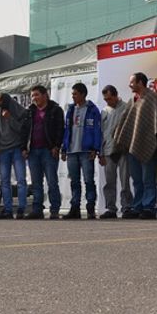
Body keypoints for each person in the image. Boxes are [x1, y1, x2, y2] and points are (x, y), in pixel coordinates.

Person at [114, 72, 157, 219]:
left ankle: (149, 207)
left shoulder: (152, 98)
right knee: (137, 179)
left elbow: (156, 123)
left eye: (132, 82)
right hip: (132, 146)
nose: (130, 85)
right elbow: (126, 122)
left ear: (140, 82)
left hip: (148, 145)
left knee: (148, 178)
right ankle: (138, 206)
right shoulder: (132, 100)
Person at [61, 83, 102, 220]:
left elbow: (97, 130)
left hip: (86, 151)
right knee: (74, 181)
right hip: (72, 151)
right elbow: (66, 130)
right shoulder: (71, 109)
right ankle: (75, 208)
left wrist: (95, 149)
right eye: (72, 94)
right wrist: (64, 148)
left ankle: (90, 208)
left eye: (75, 94)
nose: (73, 96)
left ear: (83, 94)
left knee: (89, 180)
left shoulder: (92, 109)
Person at [25, 85, 65, 220]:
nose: (34, 98)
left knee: (52, 181)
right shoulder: (30, 111)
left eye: (36, 95)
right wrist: (24, 148)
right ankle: (37, 209)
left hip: (49, 150)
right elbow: (24, 131)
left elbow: (60, 129)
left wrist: (56, 146)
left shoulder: (55, 110)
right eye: (32, 96)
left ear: (45, 95)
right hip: (33, 151)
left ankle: (54, 209)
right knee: (36, 183)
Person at [0, 93, 29, 220]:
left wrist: (9, 118)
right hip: (3, 150)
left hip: (17, 149)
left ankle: (21, 208)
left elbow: (22, 130)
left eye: (1, 101)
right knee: (4, 181)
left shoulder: (20, 111)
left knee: (21, 180)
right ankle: (7, 209)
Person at [99, 85, 132, 219]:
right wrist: (100, 152)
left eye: (109, 98)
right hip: (108, 150)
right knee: (109, 181)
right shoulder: (104, 111)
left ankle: (127, 207)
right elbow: (100, 133)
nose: (108, 101)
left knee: (125, 181)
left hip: (123, 150)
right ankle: (111, 208)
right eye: (105, 99)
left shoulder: (126, 108)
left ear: (116, 95)